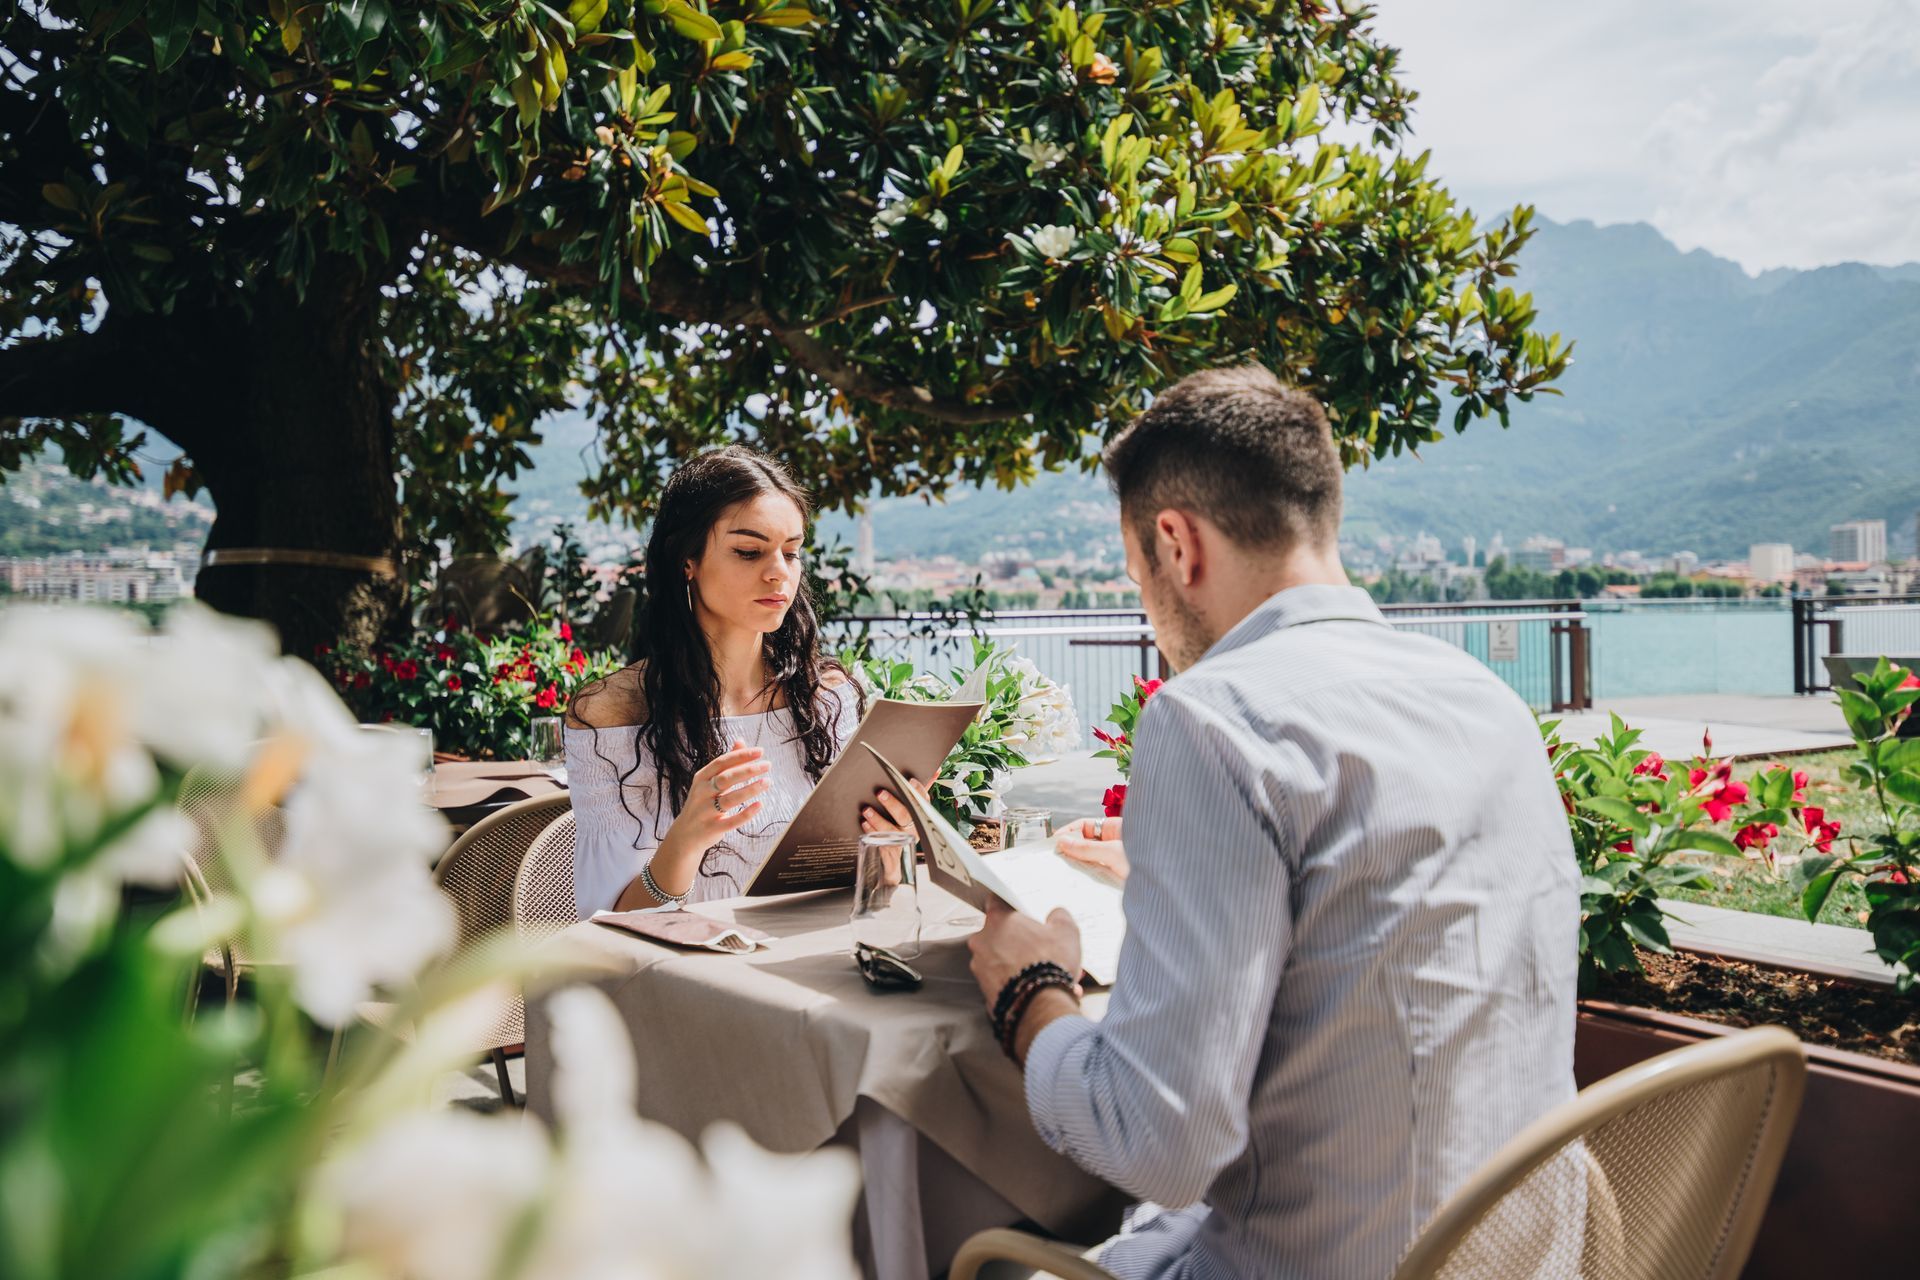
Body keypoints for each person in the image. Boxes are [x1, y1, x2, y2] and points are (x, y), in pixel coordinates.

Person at [967, 366, 1580, 1278]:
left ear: (1176, 544)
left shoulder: (1213, 718)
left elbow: (1160, 1145)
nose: (1149, 608)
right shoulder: (1483, 699)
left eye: (1138, 577)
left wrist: (1034, 993)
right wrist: (1193, 882)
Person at [565, 446, 917, 915]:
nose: (779, 573)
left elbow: (871, 896)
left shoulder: (826, 696)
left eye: (791, 553)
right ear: (686, 560)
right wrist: (687, 840)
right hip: (683, 979)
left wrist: (891, 848)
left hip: (811, 967)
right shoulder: (613, 714)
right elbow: (607, 925)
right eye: (750, 552)